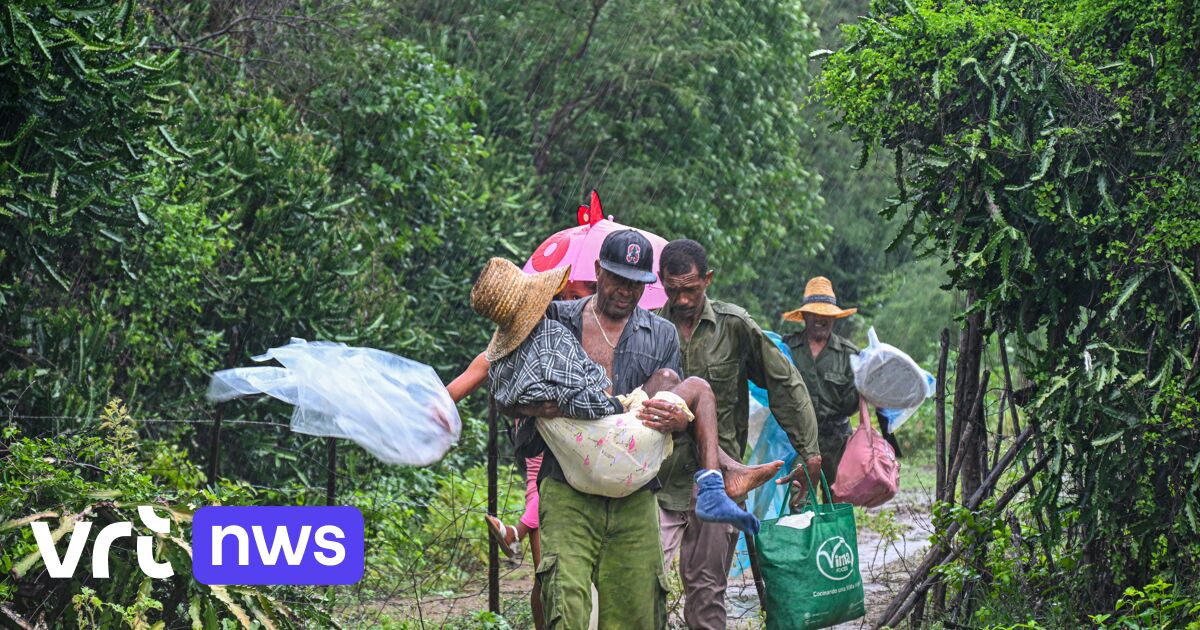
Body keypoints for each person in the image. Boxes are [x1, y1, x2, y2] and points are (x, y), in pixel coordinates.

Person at [488, 231, 777, 630]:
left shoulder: (660, 334)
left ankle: (717, 478)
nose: (625, 290)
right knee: (566, 604)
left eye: (636, 283)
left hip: (634, 490)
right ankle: (721, 474)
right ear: (597, 271)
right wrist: (552, 405)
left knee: (636, 610)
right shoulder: (556, 320)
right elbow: (506, 390)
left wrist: (677, 421)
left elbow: (659, 420)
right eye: (617, 279)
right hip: (569, 488)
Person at [656, 239, 823, 630]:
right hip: (657, 479)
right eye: (673, 289)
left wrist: (810, 454)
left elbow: (784, 383)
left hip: (718, 479)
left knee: (706, 588)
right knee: (647, 584)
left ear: (708, 280)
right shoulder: (647, 326)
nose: (681, 300)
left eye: (691, 289)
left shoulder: (734, 327)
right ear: (659, 281)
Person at [781, 276, 860, 502]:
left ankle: (833, 539)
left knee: (837, 502)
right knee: (798, 500)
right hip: (798, 441)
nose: (820, 319)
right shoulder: (787, 349)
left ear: (833, 318)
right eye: (815, 313)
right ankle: (806, 538)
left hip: (837, 441)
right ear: (804, 316)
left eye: (826, 314)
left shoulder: (849, 354)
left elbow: (854, 403)